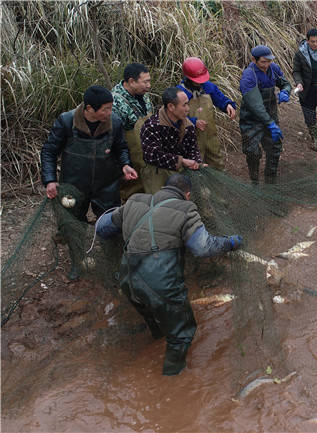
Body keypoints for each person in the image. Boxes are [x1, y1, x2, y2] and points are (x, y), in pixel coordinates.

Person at [95, 174, 243, 375]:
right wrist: (231, 242)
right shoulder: (187, 209)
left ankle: (156, 343)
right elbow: (202, 248)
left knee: (156, 320)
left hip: (128, 279)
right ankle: (171, 381)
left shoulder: (134, 201)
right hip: (159, 281)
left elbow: (103, 229)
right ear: (187, 195)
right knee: (182, 333)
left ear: (163, 188)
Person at [41, 85, 138, 221]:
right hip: (73, 184)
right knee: (71, 222)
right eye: (106, 109)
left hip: (106, 185)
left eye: (111, 108)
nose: (110, 112)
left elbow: (121, 148)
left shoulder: (115, 122)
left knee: (111, 223)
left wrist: (125, 164)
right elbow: (49, 151)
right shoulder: (67, 121)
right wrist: (50, 180)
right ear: (89, 109)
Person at [239, 45, 291, 185]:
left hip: (271, 115)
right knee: (252, 151)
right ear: (254, 60)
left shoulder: (273, 68)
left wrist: (285, 91)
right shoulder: (249, 76)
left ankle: (270, 179)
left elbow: (285, 83)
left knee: (275, 148)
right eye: (263, 62)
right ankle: (254, 181)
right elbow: (256, 105)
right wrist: (270, 123)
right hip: (251, 119)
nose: (266, 65)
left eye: (269, 61)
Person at [140, 87, 204, 194]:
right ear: (171, 107)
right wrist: (181, 161)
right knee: (160, 206)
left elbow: (193, 149)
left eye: (188, 104)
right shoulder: (152, 126)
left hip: (181, 173)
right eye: (184, 105)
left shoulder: (188, 125)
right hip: (157, 173)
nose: (188, 109)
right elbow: (151, 155)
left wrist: (197, 162)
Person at [177, 57, 237, 170]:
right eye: (197, 79)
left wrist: (227, 105)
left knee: (217, 159)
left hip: (210, 134)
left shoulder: (208, 86)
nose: (201, 82)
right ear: (188, 77)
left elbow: (219, 98)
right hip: (192, 137)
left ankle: (219, 182)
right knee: (196, 163)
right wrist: (193, 122)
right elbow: (176, 116)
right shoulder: (180, 92)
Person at [112, 63, 154, 200]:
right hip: (130, 162)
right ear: (131, 81)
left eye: (149, 81)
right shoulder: (116, 102)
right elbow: (114, 139)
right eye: (145, 82)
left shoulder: (144, 95)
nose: (149, 85)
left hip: (148, 160)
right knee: (132, 198)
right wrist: (123, 164)